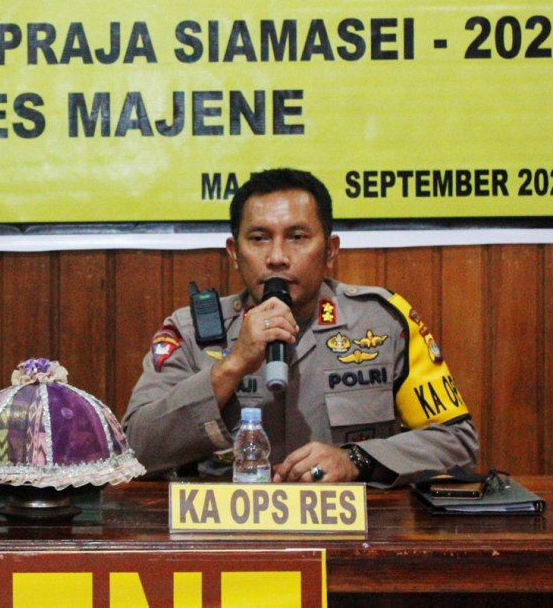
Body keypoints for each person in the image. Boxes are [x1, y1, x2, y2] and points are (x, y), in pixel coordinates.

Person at [122, 168, 478, 487]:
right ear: (234, 253)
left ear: (330, 250)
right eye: (259, 238)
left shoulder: (382, 323)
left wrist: (356, 460)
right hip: (228, 531)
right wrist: (231, 366)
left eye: (297, 237)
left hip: (349, 531)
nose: (277, 257)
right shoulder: (189, 332)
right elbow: (134, 452)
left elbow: (457, 442)